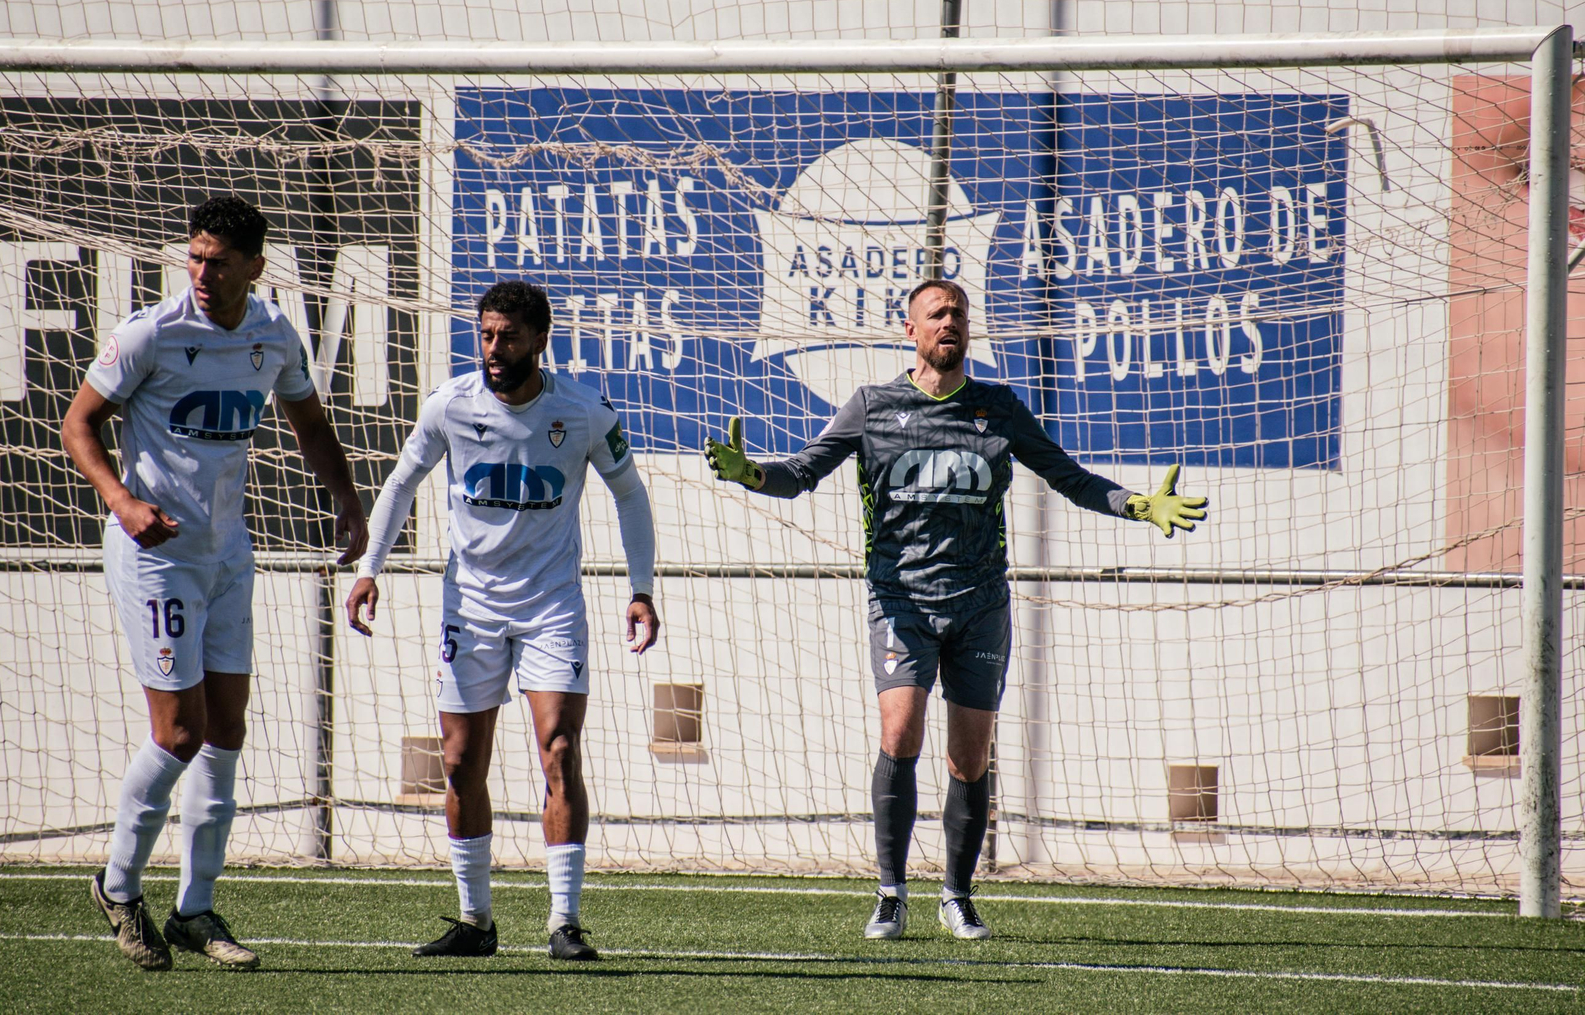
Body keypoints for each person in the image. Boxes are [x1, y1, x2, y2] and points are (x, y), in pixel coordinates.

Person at [705, 278, 1206, 940]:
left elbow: (1068, 475)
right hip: (900, 600)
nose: (950, 323)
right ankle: (890, 893)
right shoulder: (871, 406)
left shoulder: (998, 408)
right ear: (910, 331)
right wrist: (753, 474)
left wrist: (1136, 504)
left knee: (970, 760)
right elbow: (802, 472)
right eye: (937, 314)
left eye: (959, 315)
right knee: (900, 731)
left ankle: (957, 894)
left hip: (980, 606)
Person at [62, 196, 368, 971]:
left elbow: (310, 425)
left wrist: (346, 500)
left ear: (255, 267)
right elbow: (78, 425)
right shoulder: (151, 334)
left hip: (229, 554)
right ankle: (119, 885)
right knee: (178, 733)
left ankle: (196, 908)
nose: (202, 272)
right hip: (156, 555)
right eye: (194, 256)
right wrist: (124, 502)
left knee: (226, 732)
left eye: (219, 260)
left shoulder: (272, 335)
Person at [344, 279, 658, 962]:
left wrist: (641, 588)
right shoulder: (450, 406)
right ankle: (475, 921)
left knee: (560, 751)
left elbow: (629, 493)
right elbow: (401, 481)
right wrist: (370, 567)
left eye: (507, 336)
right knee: (460, 762)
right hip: (471, 609)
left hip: (551, 608)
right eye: (485, 334)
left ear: (539, 340)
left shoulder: (582, 411)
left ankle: (565, 922)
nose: (493, 348)